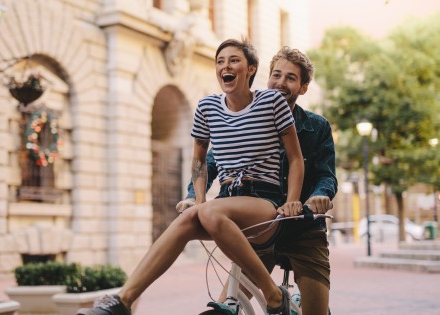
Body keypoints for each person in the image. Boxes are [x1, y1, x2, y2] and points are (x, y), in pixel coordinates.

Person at [78, 38, 305, 315]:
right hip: (226, 201)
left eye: (234, 60)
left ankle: (272, 295)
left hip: (264, 203)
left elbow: (295, 158)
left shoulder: (271, 101)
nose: (226, 66)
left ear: (251, 69)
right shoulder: (207, 107)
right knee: (188, 218)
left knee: (209, 212)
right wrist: (198, 199)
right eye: (220, 62)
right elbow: (199, 160)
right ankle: (122, 301)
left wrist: (292, 200)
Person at [178, 46, 337, 315]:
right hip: (261, 227)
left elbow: (325, 174)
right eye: (276, 75)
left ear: (303, 87)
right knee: (227, 303)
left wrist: (318, 196)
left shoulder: (317, 126)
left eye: (290, 78)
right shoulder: (250, 117)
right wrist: (194, 195)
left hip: (303, 229)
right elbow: (210, 163)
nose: (280, 83)